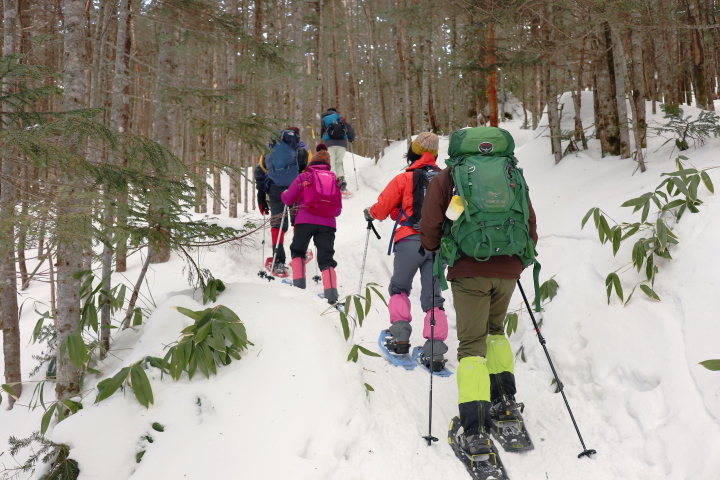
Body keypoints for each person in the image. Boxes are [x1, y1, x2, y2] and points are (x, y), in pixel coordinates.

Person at [418, 127, 538, 457]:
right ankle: (505, 404)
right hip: (509, 266)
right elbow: (529, 220)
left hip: (470, 269)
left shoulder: (449, 178)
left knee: (472, 346)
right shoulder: (511, 173)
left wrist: (434, 247)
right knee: (495, 331)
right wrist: (517, 260)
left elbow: (431, 226)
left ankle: (475, 429)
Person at [363, 132, 448, 370]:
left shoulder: (404, 178)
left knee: (400, 288)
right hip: (438, 243)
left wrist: (370, 212)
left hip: (409, 240)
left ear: (414, 152)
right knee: (434, 298)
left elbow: (381, 209)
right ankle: (436, 352)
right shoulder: (446, 179)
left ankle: (400, 339)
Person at [281, 143, 342, 304]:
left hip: (304, 221)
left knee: (298, 252)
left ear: (311, 162)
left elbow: (288, 199)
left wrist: (283, 194)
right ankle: (331, 297)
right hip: (328, 224)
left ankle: (299, 290)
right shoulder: (334, 179)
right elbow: (337, 211)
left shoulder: (304, 177)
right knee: (327, 259)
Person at [255, 127, 310, 276]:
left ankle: (278, 261)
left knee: (277, 223)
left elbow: (260, 169)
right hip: (297, 188)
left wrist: (261, 193)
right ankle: (299, 254)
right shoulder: (302, 149)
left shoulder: (269, 149)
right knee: (298, 220)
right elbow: (308, 169)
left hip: (275, 189)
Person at [320, 107, 355, 196]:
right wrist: (351, 139)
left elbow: (322, 132)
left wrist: (322, 140)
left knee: (331, 163)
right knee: (338, 162)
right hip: (342, 144)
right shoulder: (340, 117)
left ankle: (333, 184)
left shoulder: (324, 119)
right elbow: (349, 128)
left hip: (329, 144)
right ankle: (342, 180)